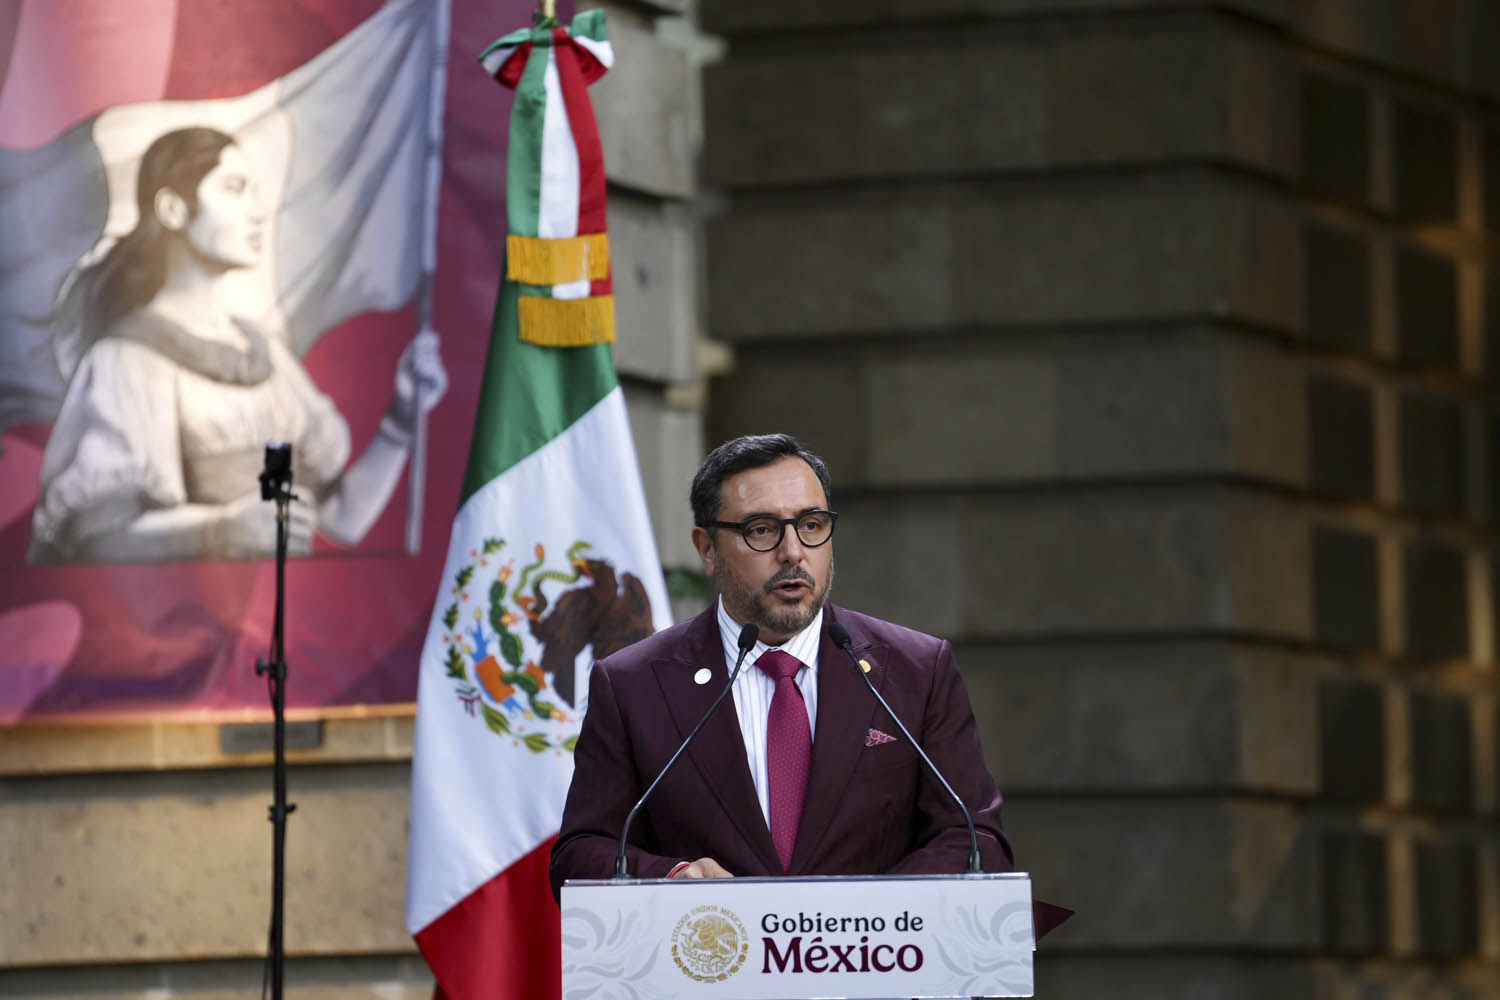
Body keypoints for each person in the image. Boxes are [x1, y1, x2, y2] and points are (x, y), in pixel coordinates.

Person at [550, 433, 1012, 892]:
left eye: (811, 524)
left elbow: (975, 840)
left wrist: (870, 911)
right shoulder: (633, 685)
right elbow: (581, 854)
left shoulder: (916, 670)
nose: (793, 552)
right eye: (762, 529)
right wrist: (672, 879)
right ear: (707, 549)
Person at [29, 125, 446, 564]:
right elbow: (98, 542)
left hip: (281, 606)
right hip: (184, 608)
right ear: (172, 209)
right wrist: (220, 530)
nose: (258, 212)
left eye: (254, 191)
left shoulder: (266, 356)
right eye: (234, 188)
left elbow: (342, 518)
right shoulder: (128, 359)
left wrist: (402, 419)